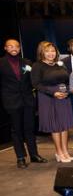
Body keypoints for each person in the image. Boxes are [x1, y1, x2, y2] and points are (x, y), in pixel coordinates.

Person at [0, 39, 47, 168]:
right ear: (5, 48)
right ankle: (20, 157)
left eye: (16, 46)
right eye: (10, 46)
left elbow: (33, 80)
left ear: (19, 48)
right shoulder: (1, 63)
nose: (13, 48)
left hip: (27, 101)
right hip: (12, 102)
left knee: (30, 129)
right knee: (16, 130)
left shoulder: (27, 62)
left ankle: (34, 155)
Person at [31, 41, 73, 163]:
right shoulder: (37, 66)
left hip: (63, 97)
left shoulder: (59, 65)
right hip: (48, 98)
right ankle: (59, 152)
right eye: (47, 51)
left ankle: (65, 151)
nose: (51, 53)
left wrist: (67, 91)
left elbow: (67, 81)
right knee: (55, 126)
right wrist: (53, 93)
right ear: (42, 52)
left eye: (52, 51)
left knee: (65, 125)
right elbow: (36, 84)